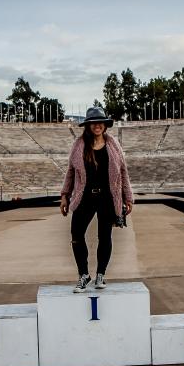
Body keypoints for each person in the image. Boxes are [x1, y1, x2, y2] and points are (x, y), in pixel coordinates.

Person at [60, 107, 134, 293]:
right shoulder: (79, 145)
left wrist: (128, 197)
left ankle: (101, 274)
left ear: (105, 125)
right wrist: (64, 196)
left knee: (105, 236)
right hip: (84, 196)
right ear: (88, 125)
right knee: (76, 235)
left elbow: (123, 171)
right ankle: (84, 275)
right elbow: (70, 172)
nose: (97, 125)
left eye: (100, 122)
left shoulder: (113, 144)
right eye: (93, 123)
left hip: (107, 197)